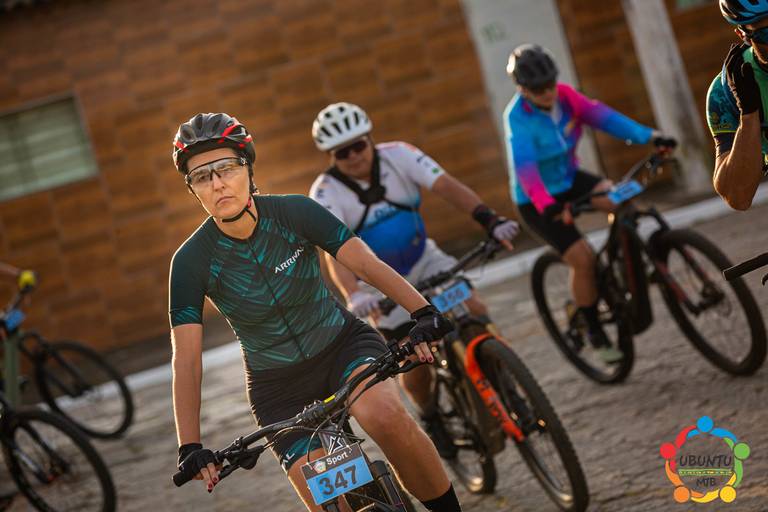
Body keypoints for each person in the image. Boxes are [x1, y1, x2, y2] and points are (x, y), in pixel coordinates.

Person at [168, 113, 462, 512]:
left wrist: (423, 312)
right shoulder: (190, 261)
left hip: (343, 347)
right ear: (193, 189)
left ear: (248, 168)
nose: (217, 183)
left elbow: (365, 264)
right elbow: (186, 359)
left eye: (227, 168)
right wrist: (189, 445)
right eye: (202, 176)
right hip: (278, 388)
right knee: (331, 501)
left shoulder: (295, 212)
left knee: (384, 416)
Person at [308, 102, 519, 459]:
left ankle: (505, 376)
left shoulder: (400, 155)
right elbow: (333, 251)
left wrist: (490, 219)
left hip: (425, 261)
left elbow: (447, 186)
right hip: (380, 285)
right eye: (342, 152)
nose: (354, 156)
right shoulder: (325, 193)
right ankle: (430, 413)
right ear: (331, 156)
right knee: (416, 357)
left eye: (358, 145)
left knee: (474, 307)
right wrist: (353, 293)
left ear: (369, 138)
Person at [503, 44, 667, 364]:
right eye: (538, 88)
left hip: (570, 178)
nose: (547, 92)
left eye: (550, 83)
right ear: (522, 89)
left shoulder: (566, 96)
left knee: (622, 200)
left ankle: (627, 265)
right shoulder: (517, 118)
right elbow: (526, 170)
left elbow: (604, 117)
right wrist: (548, 206)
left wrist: (649, 137)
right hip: (537, 199)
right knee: (583, 259)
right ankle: (593, 329)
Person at [709, 0, 768, 210]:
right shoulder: (724, 92)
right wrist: (749, 114)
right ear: (743, 35)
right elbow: (738, 197)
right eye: (766, 35)